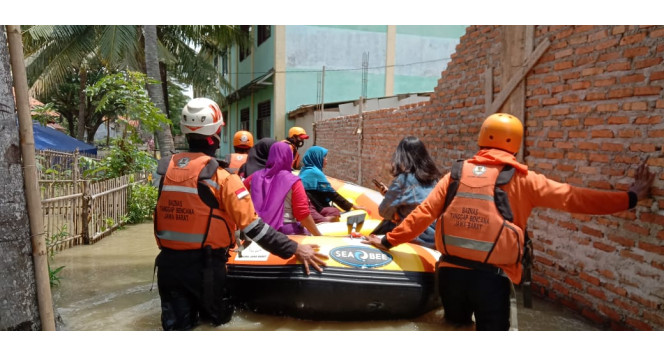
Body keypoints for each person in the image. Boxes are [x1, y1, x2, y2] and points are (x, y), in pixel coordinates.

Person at [363, 113, 655, 331]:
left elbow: (422, 215)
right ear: (515, 144)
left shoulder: (455, 174)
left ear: (481, 138)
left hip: (450, 276)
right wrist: (629, 197)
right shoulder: (525, 181)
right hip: (493, 280)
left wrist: (386, 240)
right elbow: (574, 198)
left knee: (454, 331)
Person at [153, 98, 327, 331]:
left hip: (168, 266)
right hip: (206, 268)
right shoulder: (222, 177)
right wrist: (294, 248)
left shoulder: (167, 170)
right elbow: (254, 228)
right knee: (217, 325)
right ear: (216, 133)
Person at [375, 136, 441, 249]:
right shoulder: (435, 179)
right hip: (436, 239)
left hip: (416, 239)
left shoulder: (403, 180)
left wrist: (394, 209)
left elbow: (384, 212)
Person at [244, 141, 323, 236]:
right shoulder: (293, 181)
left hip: (256, 231)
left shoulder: (253, 177)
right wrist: (319, 236)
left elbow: (237, 199)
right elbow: (302, 213)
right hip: (285, 231)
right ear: (289, 157)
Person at [300, 146, 365, 222]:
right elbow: (331, 194)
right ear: (317, 158)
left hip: (311, 205)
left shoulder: (304, 171)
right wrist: (352, 206)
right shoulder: (315, 173)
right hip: (314, 207)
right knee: (334, 212)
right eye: (324, 157)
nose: (326, 159)